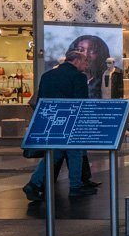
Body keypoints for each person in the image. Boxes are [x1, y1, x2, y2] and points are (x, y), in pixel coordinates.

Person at [23, 47, 95, 201]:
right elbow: (81, 102)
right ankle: (75, 186)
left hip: (51, 121)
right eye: (84, 62)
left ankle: (34, 183)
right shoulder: (78, 77)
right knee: (75, 152)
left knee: (54, 154)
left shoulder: (47, 75)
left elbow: (41, 98)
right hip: (70, 120)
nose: (86, 65)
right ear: (75, 60)